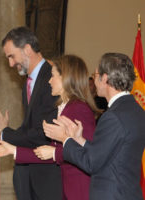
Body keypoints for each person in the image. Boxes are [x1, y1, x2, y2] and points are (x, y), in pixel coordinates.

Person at [0, 55, 100, 200]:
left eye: (53, 76)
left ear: (65, 78)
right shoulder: (64, 108)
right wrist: (13, 150)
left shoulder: (78, 108)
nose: (49, 81)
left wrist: (54, 152)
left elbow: (87, 155)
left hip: (79, 191)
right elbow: (48, 154)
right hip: (67, 190)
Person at [0, 26, 62, 200]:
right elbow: (31, 129)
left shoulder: (52, 80)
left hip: (46, 181)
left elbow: (44, 133)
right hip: (30, 179)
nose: (10, 64)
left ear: (27, 49)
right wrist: (5, 130)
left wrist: (2, 135)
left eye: (11, 56)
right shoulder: (28, 84)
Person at [43, 53, 145, 200]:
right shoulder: (137, 111)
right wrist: (80, 140)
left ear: (104, 78)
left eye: (95, 75)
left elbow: (91, 163)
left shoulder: (112, 116)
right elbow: (107, 154)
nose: (93, 81)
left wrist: (65, 139)